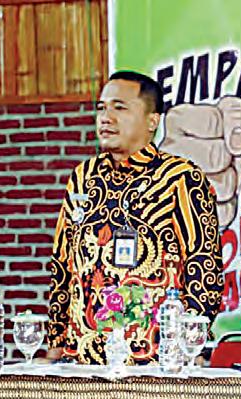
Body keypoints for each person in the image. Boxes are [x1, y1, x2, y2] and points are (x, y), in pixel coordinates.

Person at [47, 71, 223, 364]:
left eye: (119, 108)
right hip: (82, 359)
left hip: (156, 359)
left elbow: (204, 268)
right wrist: (55, 343)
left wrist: (193, 348)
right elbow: (62, 265)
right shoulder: (82, 178)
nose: (106, 118)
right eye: (102, 108)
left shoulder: (180, 178)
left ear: (152, 121)